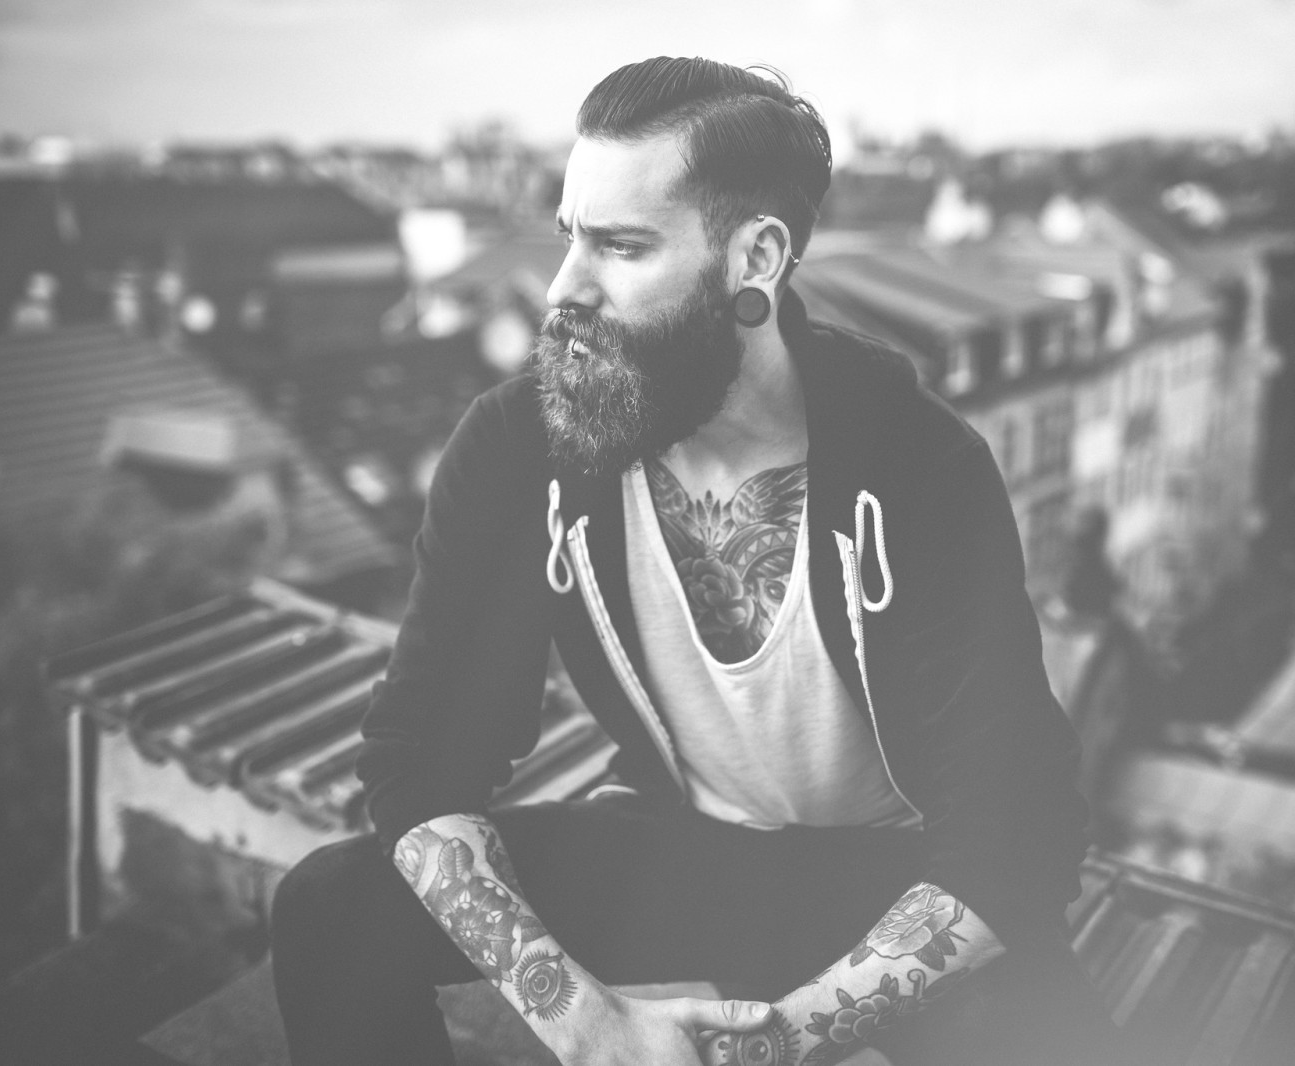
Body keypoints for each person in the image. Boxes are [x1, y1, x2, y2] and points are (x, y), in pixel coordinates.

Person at [272, 56, 1120, 1066]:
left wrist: (765, 1045)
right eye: (568, 240)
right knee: (332, 908)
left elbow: (1014, 831)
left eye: (621, 247)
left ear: (753, 257)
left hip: (900, 878)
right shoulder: (521, 443)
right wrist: (588, 1025)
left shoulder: (918, 464)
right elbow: (421, 758)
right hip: (686, 854)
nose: (562, 291)